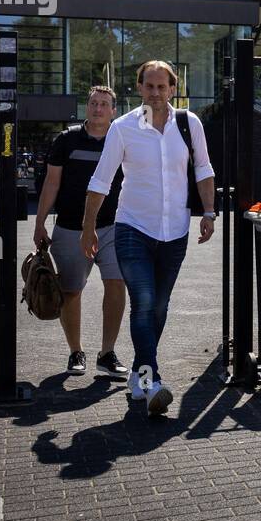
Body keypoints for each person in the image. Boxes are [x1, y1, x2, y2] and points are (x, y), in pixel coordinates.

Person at [81, 60, 216, 417]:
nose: (156, 93)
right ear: (139, 88)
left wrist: (209, 211)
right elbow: (101, 179)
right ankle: (151, 379)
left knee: (159, 306)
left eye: (162, 87)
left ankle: (138, 375)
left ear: (173, 88)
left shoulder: (190, 124)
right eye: (149, 86)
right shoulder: (123, 128)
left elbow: (203, 167)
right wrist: (88, 226)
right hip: (132, 228)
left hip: (175, 232)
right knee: (142, 301)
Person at [33, 85, 129, 379]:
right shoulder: (67, 139)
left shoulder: (123, 139)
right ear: (87, 107)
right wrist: (39, 223)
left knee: (116, 285)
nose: (98, 108)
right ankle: (76, 352)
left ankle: (107, 353)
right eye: (93, 103)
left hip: (112, 227)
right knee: (71, 291)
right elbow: (52, 183)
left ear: (114, 111)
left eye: (104, 104)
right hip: (70, 228)